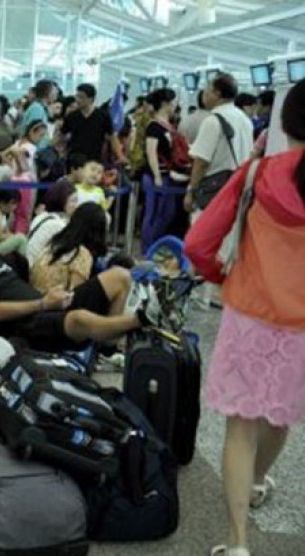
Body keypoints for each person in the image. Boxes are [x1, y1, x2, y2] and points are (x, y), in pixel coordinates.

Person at [184, 79, 305, 556]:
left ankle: (237, 544)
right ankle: (257, 481)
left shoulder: (258, 174)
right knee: (280, 416)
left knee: (241, 425)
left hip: (249, 314)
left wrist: (222, 273)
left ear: (286, 122)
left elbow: (197, 245)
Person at [0, 206, 158, 353]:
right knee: (79, 318)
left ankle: (109, 343)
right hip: (28, 324)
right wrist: (42, 303)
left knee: (120, 276)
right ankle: (141, 319)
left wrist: (48, 297)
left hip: (46, 303)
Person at [184, 73, 254, 310]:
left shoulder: (213, 121)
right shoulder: (245, 119)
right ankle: (219, 294)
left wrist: (191, 190)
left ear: (217, 93)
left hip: (212, 191)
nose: (204, 93)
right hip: (238, 187)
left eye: (207, 89)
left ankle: (199, 295)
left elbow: (201, 161)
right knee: (228, 241)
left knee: (202, 238)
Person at [30, 203, 106, 294]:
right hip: (54, 303)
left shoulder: (55, 242)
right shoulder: (82, 254)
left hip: (35, 296)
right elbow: (74, 294)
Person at [141, 88, 183, 251]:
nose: (174, 106)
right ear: (166, 104)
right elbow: (151, 151)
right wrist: (157, 175)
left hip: (167, 175)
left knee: (166, 213)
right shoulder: (154, 126)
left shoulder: (168, 125)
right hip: (155, 176)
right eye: (173, 102)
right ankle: (147, 247)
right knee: (152, 213)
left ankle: (155, 244)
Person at [59, 83, 127, 165]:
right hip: (74, 159)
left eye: (81, 97)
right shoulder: (72, 116)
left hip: (94, 159)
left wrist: (120, 155)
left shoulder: (103, 116)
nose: (77, 100)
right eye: (77, 96)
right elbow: (62, 135)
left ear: (91, 99)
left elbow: (112, 137)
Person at [26, 178, 79, 267]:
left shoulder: (42, 216)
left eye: (77, 200)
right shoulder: (58, 225)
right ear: (61, 201)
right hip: (36, 271)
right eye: (73, 201)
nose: (76, 205)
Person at [0, 188, 28, 257]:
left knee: (20, 238)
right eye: (13, 203)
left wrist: (10, 236)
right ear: (2, 202)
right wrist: (12, 236)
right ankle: (20, 263)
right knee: (21, 239)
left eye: (16, 204)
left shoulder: (3, 214)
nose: (15, 207)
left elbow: (7, 232)